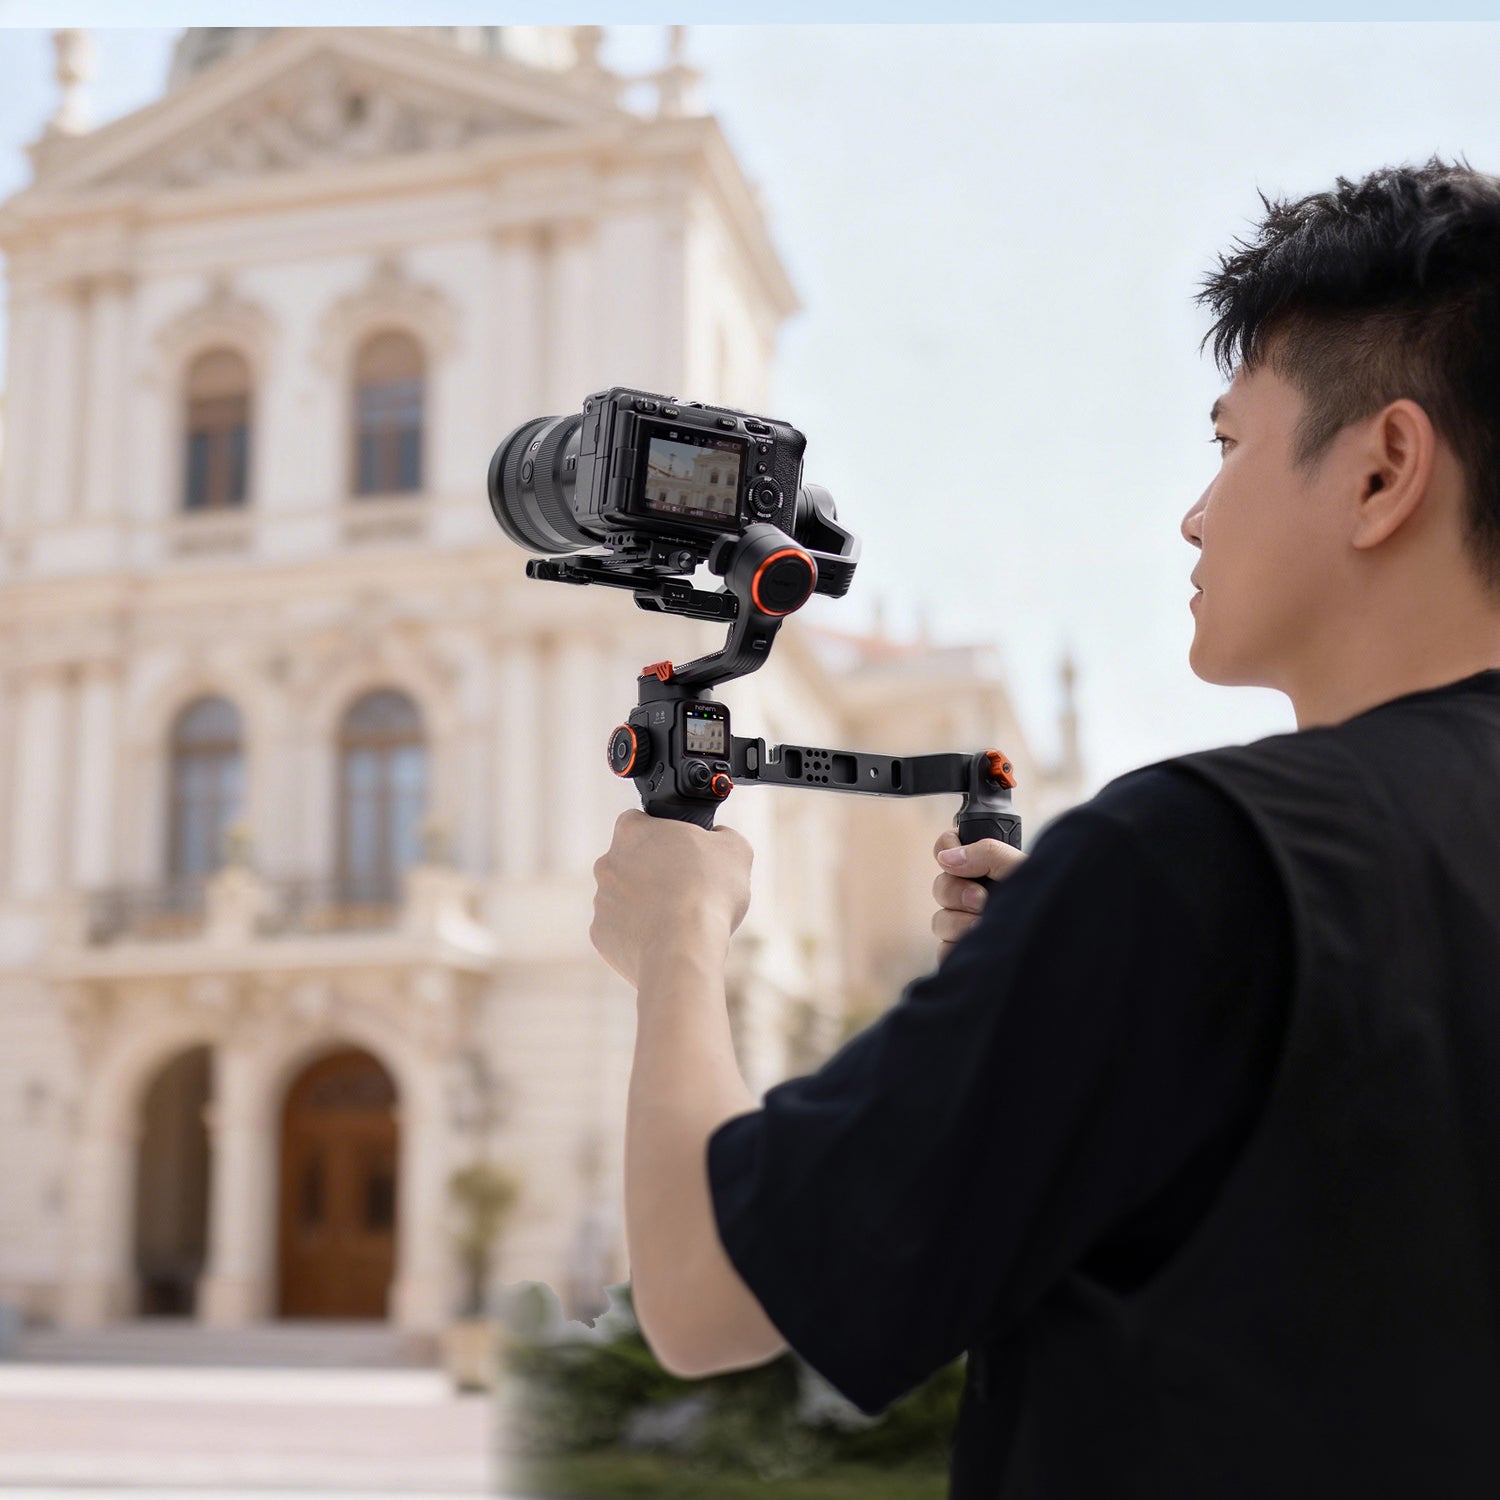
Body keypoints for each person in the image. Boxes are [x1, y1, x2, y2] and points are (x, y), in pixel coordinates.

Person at [589, 158, 1500, 1497]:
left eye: (1229, 443)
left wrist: (676, 939)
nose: (1196, 513)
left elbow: (701, 1290)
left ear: (1383, 470)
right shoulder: (1200, 896)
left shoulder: (1194, 862)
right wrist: (1070, 994)